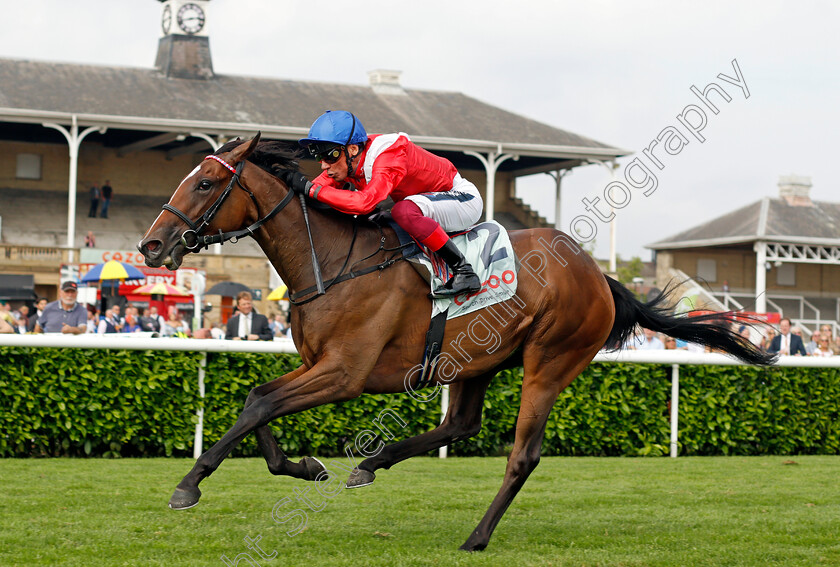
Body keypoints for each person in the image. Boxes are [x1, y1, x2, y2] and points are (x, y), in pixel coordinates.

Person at [294, 110, 483, 298]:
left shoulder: (388, 156)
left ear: (352, 149)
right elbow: (315, 187)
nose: (324, 165)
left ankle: (464, 272)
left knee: (403, 211)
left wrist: (311, 190)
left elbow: (363, 203)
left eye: (330, 156)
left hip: (463, 199)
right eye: (319, 157)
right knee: (378, 219)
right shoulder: (350, 157)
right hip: (425, 202)